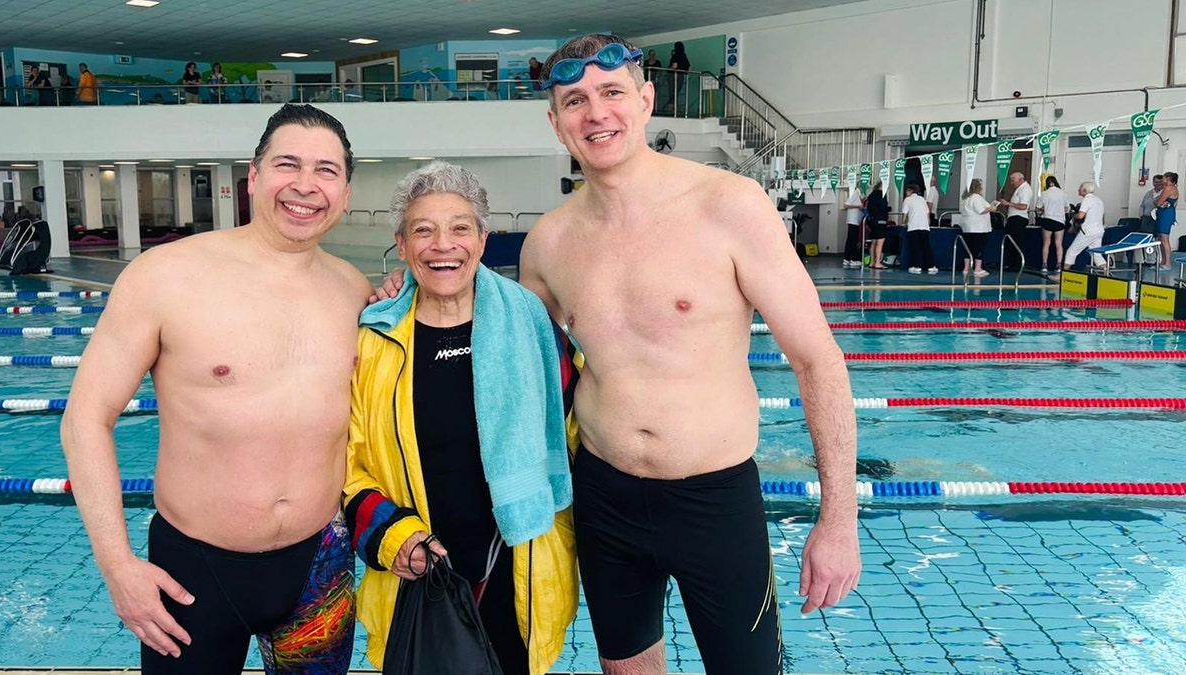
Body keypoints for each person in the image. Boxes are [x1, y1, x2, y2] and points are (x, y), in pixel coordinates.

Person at [530, 33, 859, 675]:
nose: (596, 113)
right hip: (604, 498)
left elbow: (819, 361)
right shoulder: (549, 242)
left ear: (646, 101)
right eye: (575, 100)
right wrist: (403, 295)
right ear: (556, 121)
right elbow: (516, 361)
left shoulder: (729, 205)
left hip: (714, 499)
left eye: (612, 93)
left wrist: (838, 522)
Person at [60, 104, 370, 674]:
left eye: (327, 171)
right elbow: (85, 417)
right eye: (288, 165)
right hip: (193, 574)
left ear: (346, 192)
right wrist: (116, 564)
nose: (306, 186)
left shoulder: (356, 292)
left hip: (319, 568)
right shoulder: (165, 276)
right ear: (253, 177)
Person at [345, 161, 579, 675]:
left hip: (516, 563)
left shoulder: (531, 323)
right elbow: (346, 463)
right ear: (402, 247)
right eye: (423, 230)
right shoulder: (374, 341)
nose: (442, 245)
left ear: (482, 239)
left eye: (459, 228)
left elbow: (574, 432)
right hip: (418, 573)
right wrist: (392, 536)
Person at [1048, 182, 1106, 282]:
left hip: (1088, 232)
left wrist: (1072, 215)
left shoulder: (1087, 200)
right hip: (1099, 231)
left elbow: (1080, 216)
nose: (1078, 190)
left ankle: (1061, 276)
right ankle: (1107, 274)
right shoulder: (1099, 200)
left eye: (1079, 189)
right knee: (1096, 254)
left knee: (1071, 252)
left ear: (1084, 191)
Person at [958, 178, 995, 277]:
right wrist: (991, 208)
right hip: (979, 227)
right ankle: (978, 268)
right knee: (979, 247)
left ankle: (966, 268)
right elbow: (981, 210)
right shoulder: (976, 197)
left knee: (967, 248)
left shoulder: (965, 198)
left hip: (967, 227)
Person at [997, 171, 1033, 272]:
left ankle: (1016, 265)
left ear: (1020, 180)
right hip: (1014, 218)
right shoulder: (1020, 189)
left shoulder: (1025, 190)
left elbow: (1023, 206)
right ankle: (1012, 263)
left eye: (1013, 181)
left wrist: (1008, 203)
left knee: (1016, 242)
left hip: (1018, 218)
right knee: (1011, 242)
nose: (1011, 183)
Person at [1035, 175, 1069, 274]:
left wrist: (1044, 210)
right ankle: (1058, 265)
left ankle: (1044, 265)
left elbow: (1038, 208)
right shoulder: (1063, 193)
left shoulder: (1044, 194)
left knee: (1046, 243)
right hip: (1060, 221)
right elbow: (1067, 208)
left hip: (1048, 219)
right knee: (1058, 243)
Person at [902, 183, 937, 274]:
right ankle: (931, 266)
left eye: (907, 190)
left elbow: (904, 213)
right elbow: (927, 212)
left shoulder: (908, 200)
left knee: (915, 247)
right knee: (926, 247)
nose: (906, 192)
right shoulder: (922, 199)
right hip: (924, 227)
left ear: (910, 191)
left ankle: (917, 266)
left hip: (913, 227)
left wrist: (903, 222)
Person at [1154, 171, 1178, 272]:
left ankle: (1167, 263)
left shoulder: (1169, 188)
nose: (1161, 180)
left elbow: (1158, 202)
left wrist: (1160, 202)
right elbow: (1156, 202)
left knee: (1164, 238)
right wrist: (1159, 202)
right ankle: (1163, 261)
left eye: (1163, 178)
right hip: (1163, 214)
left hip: (1166, 215)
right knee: (1160, 238)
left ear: (1168, 179)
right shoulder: (1167, 188)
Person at [865, 181, 890, 269]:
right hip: (881, 221)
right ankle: (877, 263)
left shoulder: (871, 195)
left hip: (872, 221)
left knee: (874, 242)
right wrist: (888, 209)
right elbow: (883, 207)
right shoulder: (882, 195)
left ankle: (872, 262)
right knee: (880, 242)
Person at [841, 184, 866, 268]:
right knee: (852, 240)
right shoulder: (855, 193)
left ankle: (847, 258)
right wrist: (858, 206)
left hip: (854, 220)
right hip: (853, 220)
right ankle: (852, 259)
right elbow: (845, 205)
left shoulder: (859, 194)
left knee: (851, 240)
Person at [666, 41, 690, 116]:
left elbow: (674, 66)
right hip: (681, 76)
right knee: (676, 93)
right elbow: (688, 67)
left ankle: (671, 110)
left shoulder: (676, 56)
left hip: (673, 76)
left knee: (672, 93)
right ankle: (675, 109)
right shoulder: (684, 56)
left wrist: (668, 69)